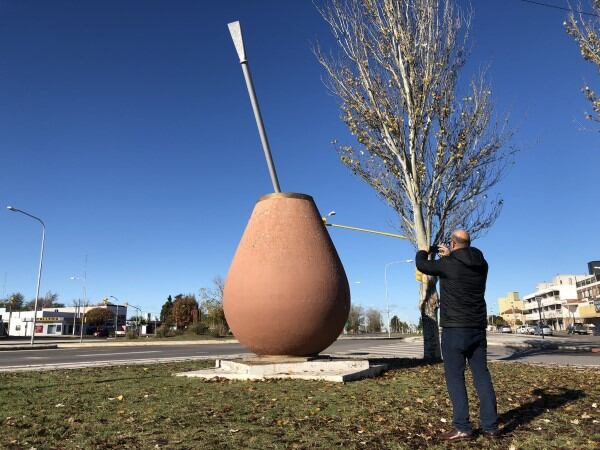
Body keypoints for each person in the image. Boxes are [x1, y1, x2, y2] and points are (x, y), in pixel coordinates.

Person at [415, 229, 498, 441]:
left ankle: (463, 427)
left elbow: (422, 265)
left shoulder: (447, 264)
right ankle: (490, 427)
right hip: (478, 329)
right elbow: (463, 264)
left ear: (452, 244)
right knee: (482, 376)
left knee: (455, 378)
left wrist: (423, 251)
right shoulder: (482, 264)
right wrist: (451, 256)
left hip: (454, 330)